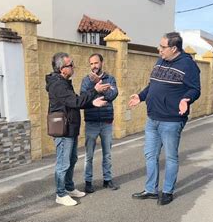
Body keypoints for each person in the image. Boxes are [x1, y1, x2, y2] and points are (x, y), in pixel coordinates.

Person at [128, 32, 201, 205]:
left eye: (162, 47)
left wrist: (186, 99)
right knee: (150, 155)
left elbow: (195, 89)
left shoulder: (188, 65)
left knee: (171, 157)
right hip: (152, 118)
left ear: (174, 48)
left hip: (172, 120)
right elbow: (153, 84)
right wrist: (141, 96)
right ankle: (151, 190)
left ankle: (168, 191)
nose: (159, 49)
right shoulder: (161, 60)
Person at [46, 52, 110, 206]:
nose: (73, 66)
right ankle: (60, 194)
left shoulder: (65, 82)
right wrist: (95, 90)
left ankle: (68, 187)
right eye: (70, 64)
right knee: (63, 163)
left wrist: (92, 103)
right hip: (63, 130)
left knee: (72, 159)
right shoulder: (57, 84)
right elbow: (75, 101)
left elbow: (76, 102)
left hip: (70, 129)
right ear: (62, 69)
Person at [80, 53, 119, 193]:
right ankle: (88, 182)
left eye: (96, 63)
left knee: (107, 154)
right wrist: (94, 85)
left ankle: (107, 180)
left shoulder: (110, 79)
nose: (94, 66)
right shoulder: (86, 80)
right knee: (89, 155)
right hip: (91, 122)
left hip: (106, 122)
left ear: (102, 63)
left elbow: (113, 96)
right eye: (91, 64)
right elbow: (83, 99)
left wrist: (103, 86)